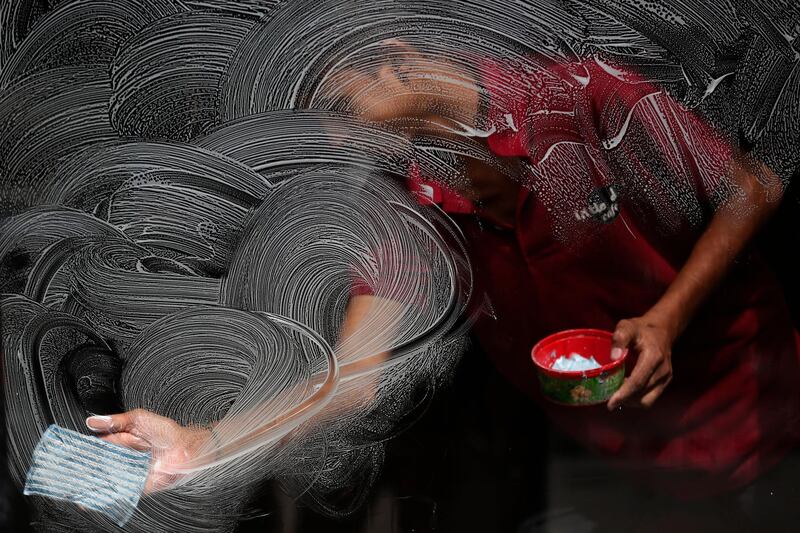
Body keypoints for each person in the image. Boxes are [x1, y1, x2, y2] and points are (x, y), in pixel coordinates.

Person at [329, 40, 800, 517]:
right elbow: (354, 382)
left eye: (338, 110)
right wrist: (251, 427)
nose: (331, 141)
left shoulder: (584, 94)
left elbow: (751, 189)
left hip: (761, 423)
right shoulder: (402, 201)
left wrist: (667, 320)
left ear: (394, 62)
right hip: (624, 466)